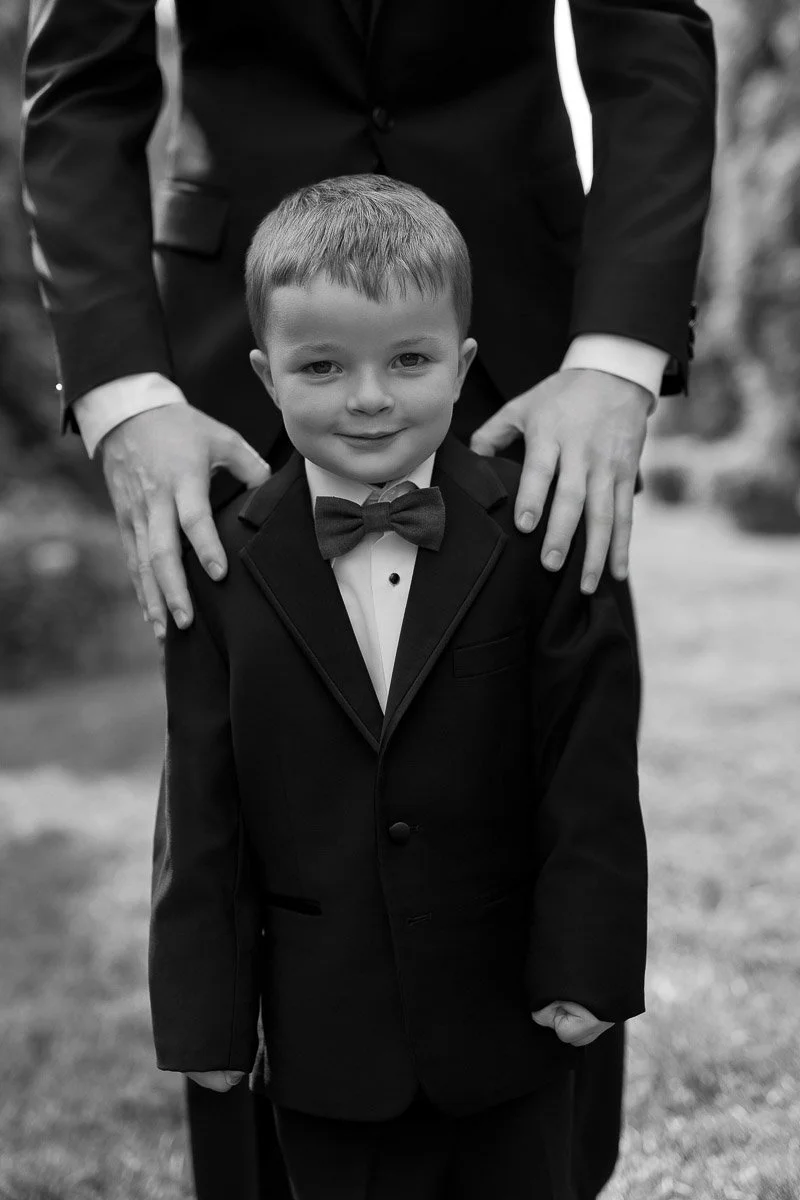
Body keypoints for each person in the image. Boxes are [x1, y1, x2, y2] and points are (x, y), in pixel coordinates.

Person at [21, 2, 716, 1195]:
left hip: (520, 350)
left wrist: (614, 359)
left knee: (553, 746)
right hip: (242, 352)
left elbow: (648, 47)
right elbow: (81, 84)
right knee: (254, 765)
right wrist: (122, 394)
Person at [149, 173, 648, 1200]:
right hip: (323, 1042)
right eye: (322, 366)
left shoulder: (537, 530)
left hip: (508, 1019)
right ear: (265, 371)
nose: (368, 398)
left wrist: (587, 960)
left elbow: (586, 766)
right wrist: (203, 1016)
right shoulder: (218, 559)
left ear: (462, 366)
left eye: (407, 360)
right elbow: (201, 805)